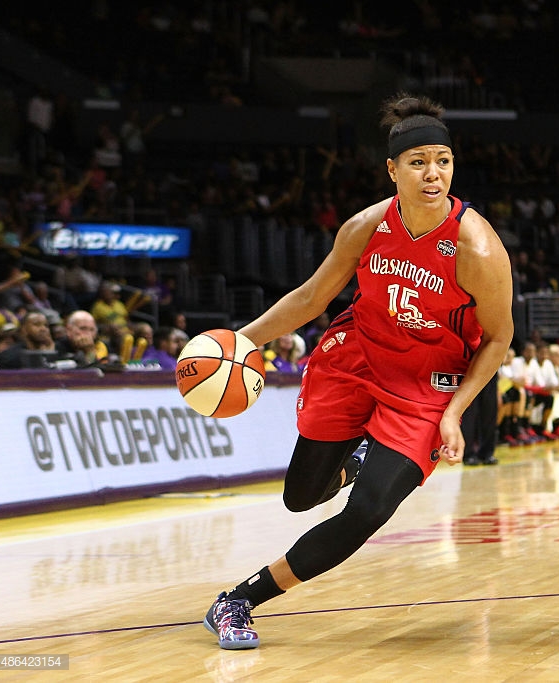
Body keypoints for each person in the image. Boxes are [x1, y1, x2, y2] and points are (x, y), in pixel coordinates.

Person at [203, 93, 514, 650]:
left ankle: (238, 601)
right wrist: (241, 340)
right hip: (354, 360)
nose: (432, 173)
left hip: (425, 387)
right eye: (417, 161)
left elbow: (499, 339)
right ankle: (359, 458)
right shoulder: (366, 228)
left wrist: (454, 414)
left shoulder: (477, 247)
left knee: (366, 511)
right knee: (300, 497)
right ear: (392, 170)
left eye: (442, 160)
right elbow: (311, 297)